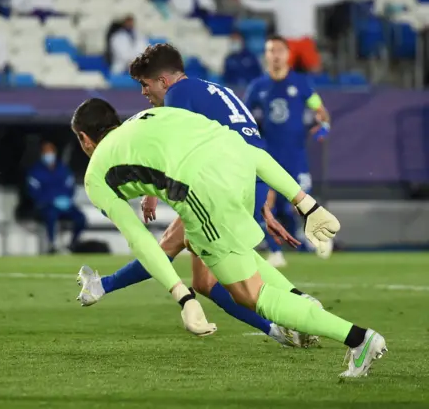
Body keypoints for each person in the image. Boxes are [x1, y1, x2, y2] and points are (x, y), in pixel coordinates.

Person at [72, 98, 387, 378]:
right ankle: (300, 300)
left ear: (85, 139)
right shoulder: (151, 117)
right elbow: (249, 152)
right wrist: (306, 203)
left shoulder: (95, 175)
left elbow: (140, 239)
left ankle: (358, 338)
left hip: (202, 192)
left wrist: (183, 297)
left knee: (247, 293)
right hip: (238, 168)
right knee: (214, 246)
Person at [77, 43, 315, 348]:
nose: (143, 94)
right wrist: (259, 193)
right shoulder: (211, 89)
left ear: (163, 81)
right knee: (204, 282)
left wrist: (151, 194)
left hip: (227, 181)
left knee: (170, 245)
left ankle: (301, 311)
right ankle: (282, 328)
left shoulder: (178, 96)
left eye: (145, 84)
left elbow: (172, 150)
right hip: (247, 175)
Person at [245, 35, 332, 268]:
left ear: (287, 54)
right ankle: (275, 252)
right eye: (270, 50)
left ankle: (321, 237)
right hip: (268, 155)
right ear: (266, 55)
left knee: (302, 203)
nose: (275, 55)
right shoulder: (257, 87)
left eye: (279, 50)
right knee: (267, 202)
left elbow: (321, 112)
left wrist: (323, 127)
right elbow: (242, 117)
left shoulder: (301, 84)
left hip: (296, 155)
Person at [237, 0, 355, 73]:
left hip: (304, 41)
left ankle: (317, 90)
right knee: (282, 72)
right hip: (287, 42)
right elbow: (259, 4)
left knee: (315, 68)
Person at [27, 141, 87, 254]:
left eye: (51, 152)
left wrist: (66, 199)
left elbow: (70, 187)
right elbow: (34, 192)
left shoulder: (63, 169)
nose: (49, 155)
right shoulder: (35, 172)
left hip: (65, 204)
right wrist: (50, 200)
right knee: (51, 215)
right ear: (41, 154)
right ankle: (52, 245)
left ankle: (72, 244)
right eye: (46, 152)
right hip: (45, 206)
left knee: (81, 218)